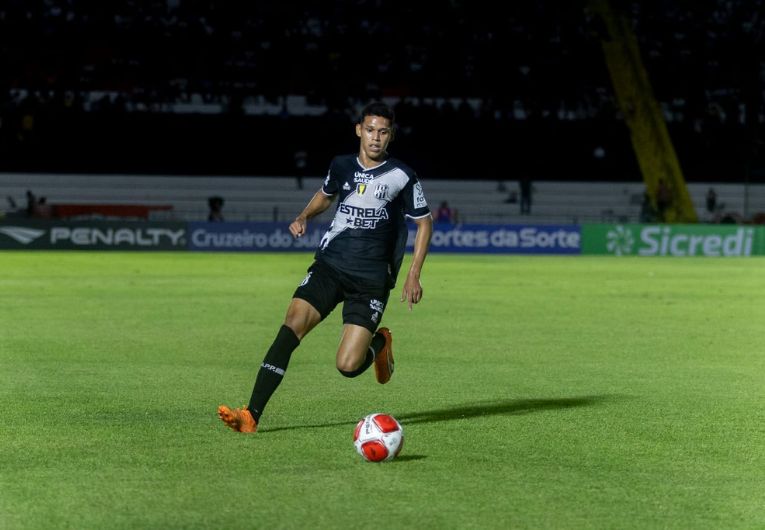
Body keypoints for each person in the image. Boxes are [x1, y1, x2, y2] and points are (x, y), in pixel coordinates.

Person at [218, 102, 433, 433]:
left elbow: (424, 223)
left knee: (347, 366)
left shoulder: (402, 175)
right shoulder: (342, 166)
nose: (376, 137)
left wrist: (413, 273)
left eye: (383, 131)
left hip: (370, 280)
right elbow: (325, 194)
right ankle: (251, 414)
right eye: (371, 129)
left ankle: (379, 344)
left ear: (391, 136)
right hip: (330, 265)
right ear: (359, 129)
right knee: (291, 325)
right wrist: (304, 215)